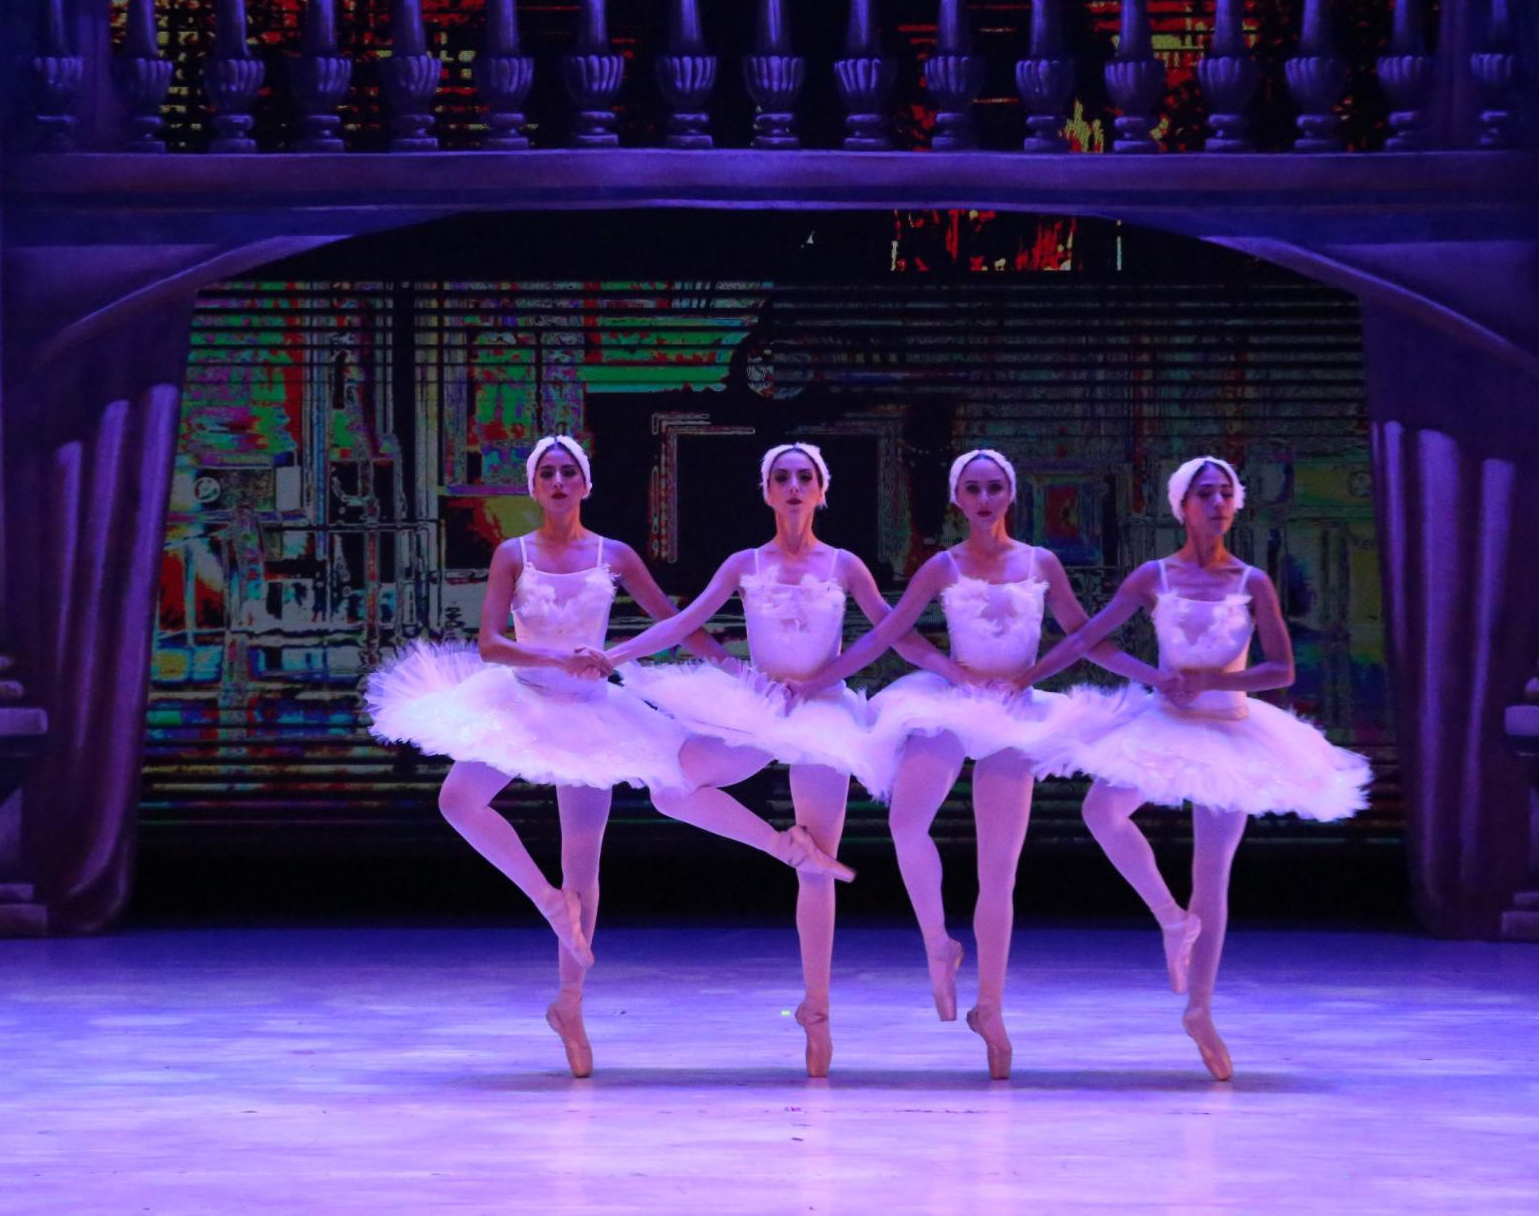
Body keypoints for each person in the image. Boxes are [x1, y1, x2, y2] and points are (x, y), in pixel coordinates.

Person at [364, 435, 733, 1077]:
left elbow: (673, 624)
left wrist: (733, 667)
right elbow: (490, 643)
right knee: (458, 800)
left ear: (585, 485)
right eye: (547, 473)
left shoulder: (614, 554)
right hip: (523, 699)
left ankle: (570, 1005)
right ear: (534, 488)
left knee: (582, 863)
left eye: (568, 472)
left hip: (591, 715)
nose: (558, 482)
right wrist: (556, 657)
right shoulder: (514, 554)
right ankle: (542, 897)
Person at [786, 448, 1158, 1078]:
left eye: (993, 488)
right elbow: (891, 634)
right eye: (973, 489)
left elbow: (1083, 635)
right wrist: (834, 679)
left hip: (1013, 712)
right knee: (906, 824)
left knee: (999, 872)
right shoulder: (943, 565)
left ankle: (991, 1009)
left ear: (1008, 495)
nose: (984, 499)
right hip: (952, 705)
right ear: (957, 499)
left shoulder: (1039, 562)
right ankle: (938, 943)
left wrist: (1133, 678)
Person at [594, 442, 951, 1077]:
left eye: (804, 477)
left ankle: (817, 1012)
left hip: (822, 713)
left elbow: (889, 632)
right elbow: (684, 625)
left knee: (819, 873)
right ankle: (781, 845)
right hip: (760, 707)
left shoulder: (843, 565)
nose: (792, 486)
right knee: (670, 786)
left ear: (821, 491)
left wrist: (948, 672)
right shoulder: (745, 563)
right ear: (766, 491)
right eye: (781, 477)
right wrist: (614, 656)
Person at [1013, 455, 1370, 1080]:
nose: (1217, 503)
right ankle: (1169, 917)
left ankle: (1200, 1009)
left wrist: (1209, 680)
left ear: (1236, 504)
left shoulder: (1252, 581)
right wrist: (1029, 677)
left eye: (1225, 493)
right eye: (1205, 493)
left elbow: (1281, 670)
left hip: (1232, 730)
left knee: (1214, 872)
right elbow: (1089, 639)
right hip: (1166, 723)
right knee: (1101, 809)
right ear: (1183, 505)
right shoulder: (1154, 576)